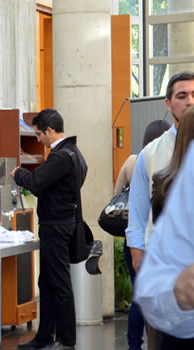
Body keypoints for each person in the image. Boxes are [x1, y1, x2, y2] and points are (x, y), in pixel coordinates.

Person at [125, 71, 194, 349]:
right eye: (182, 96)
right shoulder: (151, 153)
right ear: (168, 103)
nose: (190, 101)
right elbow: (138, 213)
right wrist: (139, 257)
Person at [11, 108, 87, 350]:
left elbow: (35, 181)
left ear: (50, 130)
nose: (38, 139)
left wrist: (18, 173)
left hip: (56, 226)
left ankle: (66, 340)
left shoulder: (61, 156)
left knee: (59, 283)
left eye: (39, 134)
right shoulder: (75, 153)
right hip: (61, 224)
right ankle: (45, 337)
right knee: (48, 283)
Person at [115, 119, 170, 350]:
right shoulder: (169, 162)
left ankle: (134, 344)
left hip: (134, 239)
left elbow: (116, 196)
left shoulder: (132, 160)